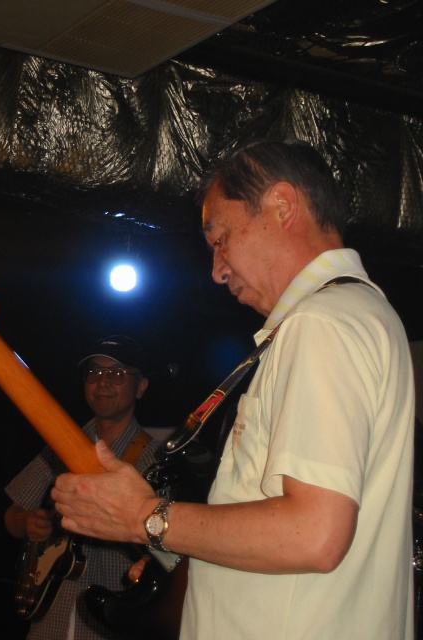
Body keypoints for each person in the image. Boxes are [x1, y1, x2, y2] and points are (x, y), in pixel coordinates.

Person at [51, 140, 415, 640]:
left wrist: (143, 518)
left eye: (221, 239)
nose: (217, 270)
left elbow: (314, 534)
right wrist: (188, 561)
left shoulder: (321, 324)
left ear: (282, 205)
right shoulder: (360, 314)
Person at [4, 335, 162, 640]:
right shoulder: (61, 442)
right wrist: (27, 523)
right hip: (49, 620)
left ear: (141, 387)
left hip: (111, 626)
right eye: (94, 373)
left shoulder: (155, 459)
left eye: (116, 374)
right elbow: (11, 517)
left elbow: (171, 547)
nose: (102, 382)